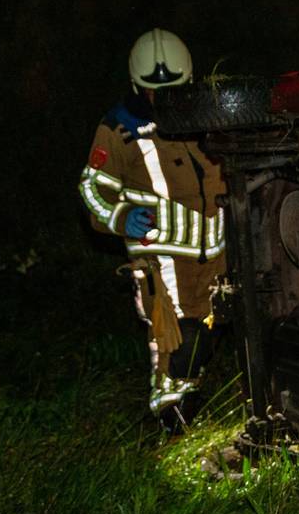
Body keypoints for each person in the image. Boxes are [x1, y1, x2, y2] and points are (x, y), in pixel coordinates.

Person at [77, 28, 226, 433]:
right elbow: (92, 189)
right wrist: (122, 216)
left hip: (217, 252)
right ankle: (171, 417)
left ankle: (197, 397)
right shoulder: (118, 128)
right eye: (151, 91)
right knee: (176, 340)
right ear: (136, 85)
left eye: (174, 89)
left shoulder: (207, 117)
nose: (161, 99)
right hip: (161, 259)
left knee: (211, 332)